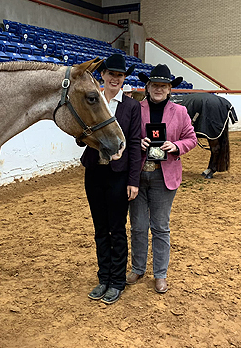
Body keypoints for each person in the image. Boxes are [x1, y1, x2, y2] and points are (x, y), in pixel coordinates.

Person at [126, 64, 197, 293]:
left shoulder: (180, 112)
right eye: (155, 85)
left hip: (164, 176)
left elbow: (191, 139)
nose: (158, 89)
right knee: (137, 226)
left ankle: (160, 274)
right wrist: (138, 142)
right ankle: (138, 268)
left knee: (160, 226)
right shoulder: (137, 108)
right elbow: (127, 137)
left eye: (163, 86)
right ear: (148, 87)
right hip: (137, 175)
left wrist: (175, 146)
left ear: (169, 89)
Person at [81, 53, 142, 304]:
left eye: (120, 75)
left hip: (119, 176)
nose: (115, 78)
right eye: (111, 74)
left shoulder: (131, 106)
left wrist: (133, 180)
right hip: (94, 171)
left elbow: (136, 144)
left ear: (123, 78)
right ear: (102, 75)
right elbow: (79, 135)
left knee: (116, 229)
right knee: (99, 229)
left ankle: (117, 281)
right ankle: (103, 278)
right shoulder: (92, 102)